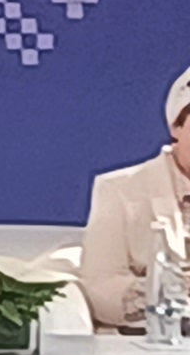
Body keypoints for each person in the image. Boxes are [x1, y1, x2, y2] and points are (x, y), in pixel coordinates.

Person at [75, 65, 190, 333]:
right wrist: (172, 298)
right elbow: (101, 286)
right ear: (177, 126)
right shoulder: (121, 190)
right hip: (150, 341)